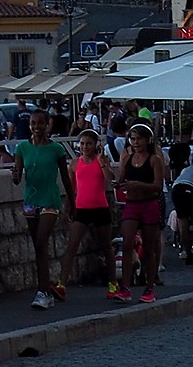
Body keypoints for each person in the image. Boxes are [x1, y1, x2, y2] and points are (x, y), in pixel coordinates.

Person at [9, 107, 74, 309]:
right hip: (30, 200)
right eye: (33, 123)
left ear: (48, 125)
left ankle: (43, 291)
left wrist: (73, 202)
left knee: (41, 241)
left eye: (40, 123)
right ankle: (44, 290)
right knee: (39, 248)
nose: (37, 127)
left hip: (50, 200)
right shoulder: (22, 148)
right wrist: (15, 175)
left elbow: (65, 177)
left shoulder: (56, 149)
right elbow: (18, 177)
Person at [115, 124, 169, 302]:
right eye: (133, 139)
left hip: (149, 204)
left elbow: (157, 186)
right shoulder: (127, 159)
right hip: (132, 203)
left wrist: (138, 185)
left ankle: (149, 287)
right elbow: (121, 180)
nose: (136, 142)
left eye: (139, 139)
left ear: (147, 140)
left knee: (149, 247)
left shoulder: (154, 160)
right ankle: (125, 286)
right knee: (128, 243)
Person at [62, 121, 116, 300]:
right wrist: (67, 208)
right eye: (82, 144)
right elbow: (71, 187)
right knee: (72, 245)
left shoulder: (101, 160)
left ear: (96, 145)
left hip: (100, 207)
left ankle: (113, 283)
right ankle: (61, 283)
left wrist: (101, 162)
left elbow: (110, 179)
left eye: (89, 143)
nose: (85, 147)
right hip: (81, 208)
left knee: (106, 246)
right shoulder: (74, 163)